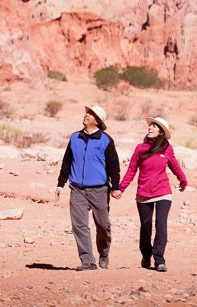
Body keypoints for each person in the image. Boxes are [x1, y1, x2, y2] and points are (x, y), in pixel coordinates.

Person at [114, 116, 188, 272]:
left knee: (161, 225)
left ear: (161, 132)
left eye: (154, 126)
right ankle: (146, 255)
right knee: (146, 227)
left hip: (163, 192)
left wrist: (183, 180)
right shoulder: (140, 148)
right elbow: (132, 170)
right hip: (143, 193)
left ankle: (159, 259)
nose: (150, 127)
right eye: (150, 125)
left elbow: (174, 166)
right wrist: (121, 188)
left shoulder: (167, 149)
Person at [55, 104, 121, 270]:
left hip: (99, 190)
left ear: (97, 121)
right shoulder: (74, 137)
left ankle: (104, 253)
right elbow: (67, 162)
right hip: (77, 189)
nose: (87, 115)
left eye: (91, 114)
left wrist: (116, 187)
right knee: (79, 225)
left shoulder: (106, 140)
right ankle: (88, 261)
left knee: (103, 225)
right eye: (87, 113)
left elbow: (114, 166)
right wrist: (60, 183)